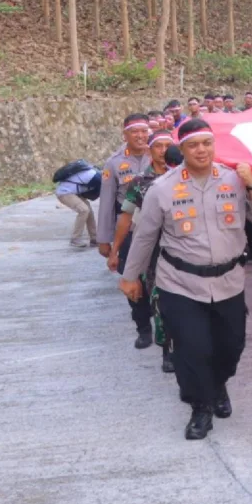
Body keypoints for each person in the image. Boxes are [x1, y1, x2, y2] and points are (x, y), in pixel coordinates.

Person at [120, 119, 252, 440]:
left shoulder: (234, 179)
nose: (201, 150)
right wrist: (130, 276)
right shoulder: (163, 188)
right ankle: (200, 407)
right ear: (183, 149)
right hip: (180, 283)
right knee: (192, 349)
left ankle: (219, 384)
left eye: (206, 143)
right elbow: (144, 236)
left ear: (214, 145)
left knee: (231, 346)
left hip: (229, 281)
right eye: (193, 145)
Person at [112, 129, 179, 373]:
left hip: (181, 250)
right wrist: (115, 250)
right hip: (151, 252)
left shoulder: (185, 178)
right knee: (157, 298)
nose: (163, 151)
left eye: (167, 145)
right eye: (158, 146)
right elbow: (126, 218)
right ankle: (167, 349)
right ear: (150, 150)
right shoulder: (139, 182)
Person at [99, 114, 155, 349]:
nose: (141, 136)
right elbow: (106, 203)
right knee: (132, 281)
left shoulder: (160, 154)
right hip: (129, 233)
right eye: (135, 132)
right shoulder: (114, 164)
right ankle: (143, 327)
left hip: (159, 232)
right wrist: (105, 240)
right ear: (125, 135)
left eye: (144, 131)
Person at [54, 160, 99, 248]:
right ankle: (75, 239)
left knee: (89, 211)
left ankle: (94, 239)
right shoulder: (96, 177)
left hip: (74, 193)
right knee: (84, 210)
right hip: (64, 193)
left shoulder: (95, 174)